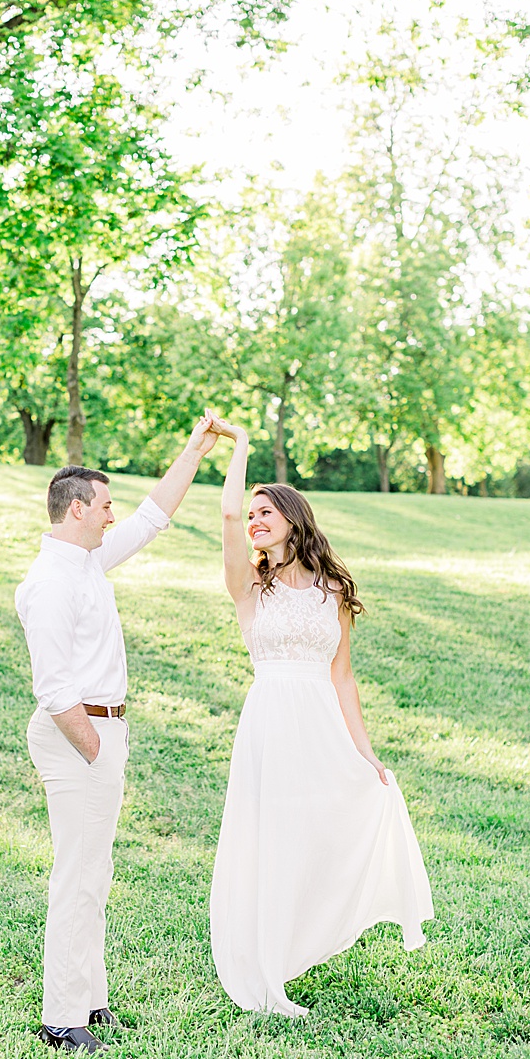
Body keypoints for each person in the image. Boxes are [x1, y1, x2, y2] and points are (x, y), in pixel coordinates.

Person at [206, 417, 433, 1016]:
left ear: (294, 519)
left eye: (265, 513)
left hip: (322, 726)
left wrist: (364, 752)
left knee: (318, 833)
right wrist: (241, 448)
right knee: (272, 840)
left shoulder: (333, 588)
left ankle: (294, 947)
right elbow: (227, 517)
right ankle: (267, 978)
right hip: (271, 719)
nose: (254, 521)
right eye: (252, 514)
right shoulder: (249, 585)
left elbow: (343, 676)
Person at [16, 415, 222, 1053]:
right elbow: (53, 690)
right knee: (77, 875)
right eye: (103, 505)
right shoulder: (49, 583)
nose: (112, 515)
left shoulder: (88, 561)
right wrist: (97, 748)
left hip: (100, 735)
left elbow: (153, 516)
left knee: (93, 873)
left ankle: (89, 999)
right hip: (80, 737)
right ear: (77, 509)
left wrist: (194, 449)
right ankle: (61, 1020)